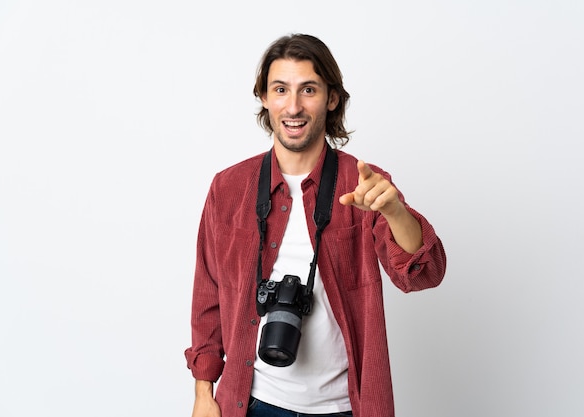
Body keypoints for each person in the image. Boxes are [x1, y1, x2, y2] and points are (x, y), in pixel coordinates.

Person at [184, 33, 447, 417]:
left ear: (332, 97)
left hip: (343, 407)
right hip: (252, 402)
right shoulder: (228, 188)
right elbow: (207, 295)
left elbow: (425, 275)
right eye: (280, 89)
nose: (293, 106)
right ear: (263, 96)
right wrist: (203, 394)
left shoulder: (364, 185)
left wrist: (393, 210)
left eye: (308, 89)